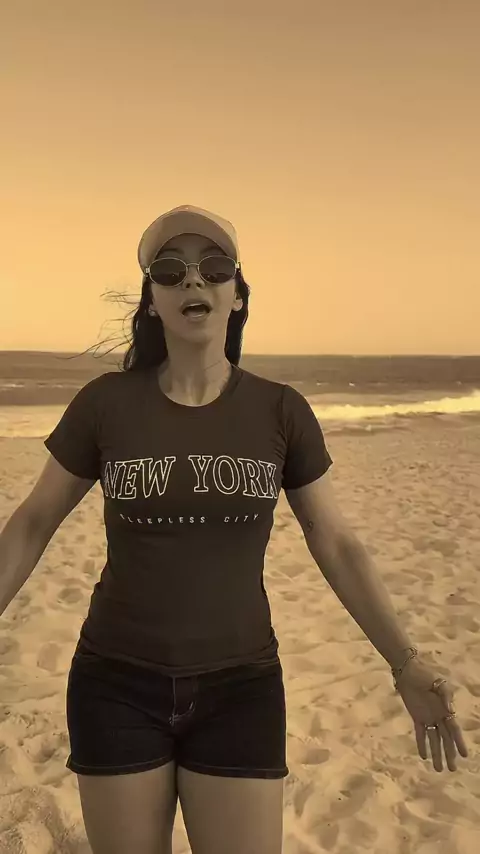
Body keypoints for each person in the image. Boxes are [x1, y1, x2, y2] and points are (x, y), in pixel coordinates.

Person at [0, 204, 468, 854]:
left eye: (214, 267)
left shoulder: (281, 410)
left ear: (238, 295)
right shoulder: (105, 405)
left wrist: (405, 662)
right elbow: (31, 523)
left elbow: (336, 542)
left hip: (241, 688)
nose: (194, 279)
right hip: (115, 684)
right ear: (153, 301)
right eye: (171, 270)